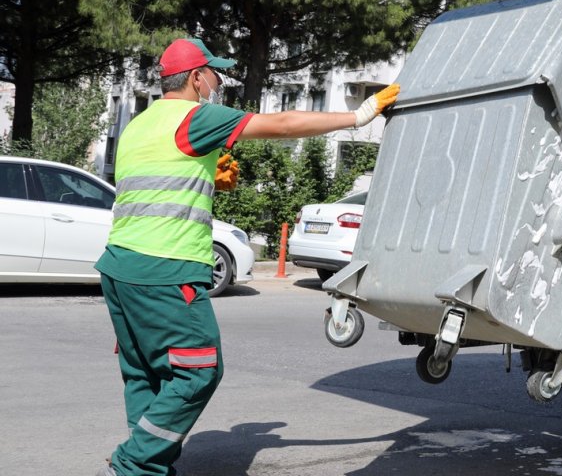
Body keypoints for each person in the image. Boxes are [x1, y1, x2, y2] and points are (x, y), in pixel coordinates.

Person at [96, 38, 399, 476]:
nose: (217, 83)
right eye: (214, 74)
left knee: (147, 373)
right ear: (196, 78)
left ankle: (144, 466)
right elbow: (283, 123)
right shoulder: (195, 116)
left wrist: (206, 179)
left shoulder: (139, 126)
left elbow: (149, 187)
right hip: (167, 268)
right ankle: (133, 463)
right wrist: (360, 114)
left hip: (120, 268)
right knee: (199, 371)